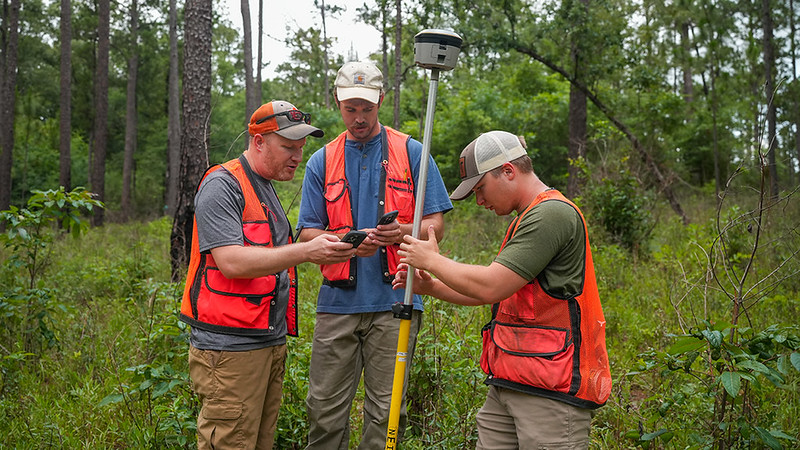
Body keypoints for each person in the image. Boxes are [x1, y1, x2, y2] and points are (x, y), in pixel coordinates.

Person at [393, 130, 612, 449]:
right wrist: (431, 286)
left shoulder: (551, 214)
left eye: (480, 189)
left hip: (551, 390)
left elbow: (491, 285)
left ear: (508, 171)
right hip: (511, 378)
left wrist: (431, 259)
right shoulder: (526, 218)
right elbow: (500, 293)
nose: (480, 201)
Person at [179, 100, 358, 450]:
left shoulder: (265, 186)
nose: (297, 156)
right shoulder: (223, 185)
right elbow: (231, 262)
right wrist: (306, 251)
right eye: (288, 147)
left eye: (301, 148)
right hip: (229, 351)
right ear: (258, 141)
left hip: (266, 344)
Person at [297, 60, 453, 449]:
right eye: (351, 108)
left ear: (381, 100)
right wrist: (349, 243)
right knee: (324, 409)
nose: (359, 117)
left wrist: (398, 232)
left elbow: (435, 226)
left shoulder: (413, 152)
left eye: (367, 108)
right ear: (338, 103)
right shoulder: (322, 160)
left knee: (387, 414)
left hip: (396, 301)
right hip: (337, 306)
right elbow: (309, 233)